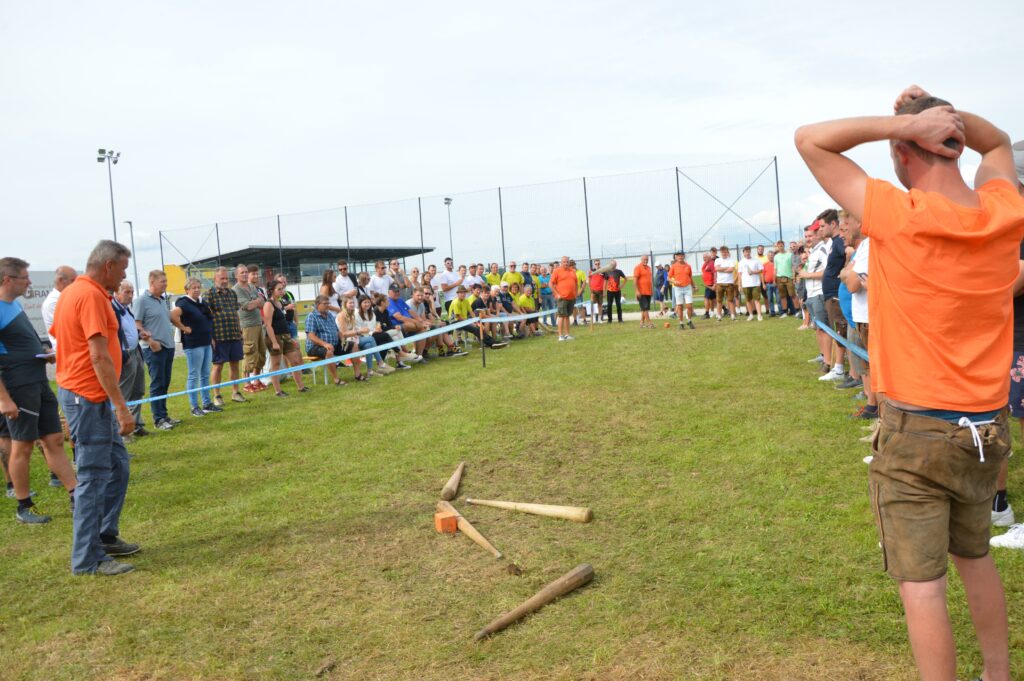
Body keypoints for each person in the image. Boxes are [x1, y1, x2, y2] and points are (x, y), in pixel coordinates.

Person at [796, 84, 1024, 681]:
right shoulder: (1005, 212)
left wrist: (904, 124)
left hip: (919, 429)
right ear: (955, 146)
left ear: (904, 154)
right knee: (975, 558)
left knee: (922, 585)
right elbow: (996, 141)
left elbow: (809, 140)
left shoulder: (897, 215)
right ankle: (998, 674)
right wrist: (938, 117)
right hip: (986, 427)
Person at [53, 240, 139, 575]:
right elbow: (98, 355)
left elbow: (65, 340)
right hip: (88, 398)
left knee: (117, 465)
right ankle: (87, 559)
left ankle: (104, 535)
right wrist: (121, 407)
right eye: (122, 269)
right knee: (92, 477)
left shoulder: (79, 292)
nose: (123, 276)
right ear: (108, 266)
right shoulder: (87, 295)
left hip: (87, 395)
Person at [0, 258, 77, 524]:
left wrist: (45, 353)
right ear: (8, 280)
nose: (29, 282)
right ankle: (24, 506)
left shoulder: (14, 305)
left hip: (37, 381)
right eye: (25, 277)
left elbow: (21, 343)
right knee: (22, 447)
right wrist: (3, 399)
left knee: (54, 439)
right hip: (17, 386)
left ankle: (76, 495)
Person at [991, 140, 1024, 545]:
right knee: (1000, 419)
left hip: (1018, 339)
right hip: (1009, 337)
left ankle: (1001, 506)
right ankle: (999, 504)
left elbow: (1011, 282)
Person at [135, 269, 178, 430]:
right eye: (163, 282)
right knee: (157, 383)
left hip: (168, 347)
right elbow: (137, 324)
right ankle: (158, 419)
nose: (165, 284)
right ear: (152, 282)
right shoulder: (141, 301)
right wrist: (151, 341)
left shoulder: (161, 300)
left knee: (165, 382)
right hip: (153, 349)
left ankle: (164, 414)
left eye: (166, 281)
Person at [171, 278, 219, 418]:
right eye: (194, 288)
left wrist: (211, 338)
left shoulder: (202, 302)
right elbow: (173, 316)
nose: (197, 290)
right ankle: (194, 406)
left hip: (205, 342)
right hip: (193, 344)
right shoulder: (183, 303)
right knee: (194, 375)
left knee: (205, 374)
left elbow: (207, 319)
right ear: (187, 290)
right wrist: (183, 328)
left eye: (198, 287)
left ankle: (207, 403)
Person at [206, 267, 246, 405]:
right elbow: (207, 318)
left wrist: (240, 332)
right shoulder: (209, 295)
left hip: (234, 334)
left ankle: (235, 392)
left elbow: (236, 313)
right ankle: (216, 396)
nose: (224, 281)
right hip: (219, 336)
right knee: (218, 366)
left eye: (226, 278)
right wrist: (211, 337)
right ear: (215, 279)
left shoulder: (232, 293)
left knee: (235, 364)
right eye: (221, 278)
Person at [262, 279, 309, 396]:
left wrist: (290, 337)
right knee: (276, 364)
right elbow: (267, 325)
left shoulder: (281, 302)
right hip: (274, 337)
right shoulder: (268, 304)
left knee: (295, 361)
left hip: (285, 336)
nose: (282, 291)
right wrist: (274, 342)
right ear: (271, 291)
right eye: (279, 289)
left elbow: (284, 320)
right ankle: (278, 391)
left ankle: (301, 387)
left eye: (282, 289)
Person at [112, 281, 147, 435]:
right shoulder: (113, 310)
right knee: (123, 394)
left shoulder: (126, 310)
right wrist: (123, 355)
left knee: (138, 391)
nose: (131, 295)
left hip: (135, 352)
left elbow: (128, 330)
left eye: (132, 292)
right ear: (117, 293)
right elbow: (114, 335)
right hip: (125, 357)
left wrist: (140, 334)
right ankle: (123, 431)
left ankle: (136, 425)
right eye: (127, 292)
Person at [233, 264, 267, 393]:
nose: (245, 274)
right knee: (250, 353)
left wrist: (256, 301)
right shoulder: (236, 290)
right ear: (236, 275)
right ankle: (246, 382)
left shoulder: (252, 287)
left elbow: (262, 303)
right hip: (247, 326)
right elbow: (248, 306)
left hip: (259, 324)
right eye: (242, 272)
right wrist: (257, 301)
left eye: (246, 272)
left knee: (261, 354)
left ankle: (256, 379)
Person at [304, 295, 348, 386]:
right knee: (329, 352)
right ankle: (337, 380)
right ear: (317, 304)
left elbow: (337, 330)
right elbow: (311, 336)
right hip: (314, 347)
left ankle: (358, 374)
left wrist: (343, 339)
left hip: (333, 344)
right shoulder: (312, 316)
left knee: (353, 346)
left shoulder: (330, 315)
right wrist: (325, 344)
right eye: (325, 304)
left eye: (328, 303)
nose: (327, 305)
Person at [354, 296, 394, 375]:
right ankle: (381, 362)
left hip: (369, 336)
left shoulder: (371, 313)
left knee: (369, 345)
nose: (367, 304)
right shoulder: (356, 314)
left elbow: (372, 327)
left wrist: (375, 330)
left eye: (368, 302)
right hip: (359, 338)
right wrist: (371, 332)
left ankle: (370, 371)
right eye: (365, 302)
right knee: (378, 337)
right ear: (360, 304)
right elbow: (358, 330)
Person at [41, 265, 77, 349]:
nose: (76, 284)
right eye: (72, 280)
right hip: (66, 352)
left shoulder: (66, 298)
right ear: (60, 280)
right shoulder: (53, 303)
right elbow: (70, 329)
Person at [550, 256, 577, 342]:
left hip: (571, 298)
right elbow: (550, 284)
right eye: (564, 262)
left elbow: (575, 283)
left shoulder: (573, 271)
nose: (566, 263)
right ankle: (560, 336)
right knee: (561, 316)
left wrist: (575, 293)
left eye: (567, 261)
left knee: (567, 316)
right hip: (562, 298)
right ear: (561, 263)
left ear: (569, 262)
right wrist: (557, 294)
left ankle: (567, 335)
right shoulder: (557, 271)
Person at [668, 252, 696, 330]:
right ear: (676, 257)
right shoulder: (673, 266)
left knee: (689, 306)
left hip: (687, 288)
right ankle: (681, 323)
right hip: (678, 288)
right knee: (680, 307)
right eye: (678, 256)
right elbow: (668, 278)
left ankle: (689, 321)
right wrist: (674, 281)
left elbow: (690, 277)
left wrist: (694, 286)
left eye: (681, 255)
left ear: (684, 256)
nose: (680, 257)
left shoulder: (688, 266)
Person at [737, 246, 763, 321]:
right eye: (746, 251)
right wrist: (739, 285)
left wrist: (753, 272)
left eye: (748, 251)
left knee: (757, 300)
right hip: (745, 284)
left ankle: (759, 315)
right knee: (748, 300)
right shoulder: (741, 262)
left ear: (750, 252)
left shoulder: (756, 260)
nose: (747, 253)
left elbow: (761, 270)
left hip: (755, 283)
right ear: (743, 253)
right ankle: (751, 315)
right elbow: (739, 274)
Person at [773, 240, 797, 316]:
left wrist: (794, 277)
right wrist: (774, 280)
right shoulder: (776, 256)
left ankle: (798, 311)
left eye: (782, 245)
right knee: (782, 296)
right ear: (777, 247)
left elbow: (793, 266)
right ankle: (785, 312)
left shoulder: (790, 254)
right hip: (779, 278)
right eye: (779, 246)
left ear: (784, 245)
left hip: (789, 277)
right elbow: (775, 269)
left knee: (792, 295)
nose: (780, 247)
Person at [713, 246, 737, 320]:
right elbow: (717, 269)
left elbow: (731, 270)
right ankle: (719, 316)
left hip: (729, 283)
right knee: (719, 301)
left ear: (727, 252)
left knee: (730, 300)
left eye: (725, 252)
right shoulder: (717, 260)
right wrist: (726, 268)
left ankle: (732, 315)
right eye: (722, 252)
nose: (724, 253)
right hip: (720, 283)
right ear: (720, 252)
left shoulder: (731, 260)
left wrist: (721, 269)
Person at [633, 255, 653, 328]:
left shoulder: (649, 268)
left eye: (647, 259)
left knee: (644, 308)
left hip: (648, 291)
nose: (646, 260)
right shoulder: (637, 268)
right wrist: (637, 291)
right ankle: (649, 323)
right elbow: (635, 281)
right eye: (644, 259)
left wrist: (651, 290)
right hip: (641, 292)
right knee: (645, 308)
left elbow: (649, 280)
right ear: (641, 259)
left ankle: (641, 322)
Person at [588, 260, 605, 324]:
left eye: (598, 264)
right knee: (593, 305)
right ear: (594, 264)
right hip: (593, 290)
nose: (597, 265)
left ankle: (600, 319)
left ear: (600, 264)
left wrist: (604, 290)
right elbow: (589, 279)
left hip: (600, 290)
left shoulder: (603, 271)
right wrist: (590, 288)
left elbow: (605, 280)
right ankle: (594, 318)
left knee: (600, 305)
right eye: (596, 264)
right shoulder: (591, 271)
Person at [700, 252, 716, 319]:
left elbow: (715, 273)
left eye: (705, 257)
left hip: (710, 284)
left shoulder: (711, 263)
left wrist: (714, 284)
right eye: (703, 257)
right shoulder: (706, 263)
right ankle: (725, 309)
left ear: (709, 257)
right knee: (714, 299)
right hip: (707, 284)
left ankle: (707, 313)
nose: (704, 259)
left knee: (706, 298)